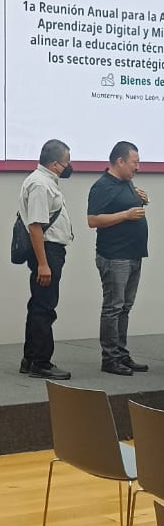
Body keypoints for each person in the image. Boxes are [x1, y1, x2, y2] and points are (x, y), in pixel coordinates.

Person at [87, 141, 149, 376]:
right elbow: (93, 220)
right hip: (114, 256)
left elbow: (128, 206)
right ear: (120, 161)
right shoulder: (102, 186)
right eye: (135, 162)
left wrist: (142, 200)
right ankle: (110, 358)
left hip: (133, 254)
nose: (138, 167)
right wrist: (126, 214)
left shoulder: (127, 183)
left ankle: (122, 354)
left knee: (125, 307)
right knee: (113, 308)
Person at [17, 139, 74, 380]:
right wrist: (43, 263)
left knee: (38, 304)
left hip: (48, 251)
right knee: (45, 307)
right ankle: (41, 362)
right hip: (47, 251)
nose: (69, 166)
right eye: (66, 161)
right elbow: (35, 226)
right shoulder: (40, 184)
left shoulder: (44, 181)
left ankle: (30, 359)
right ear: (55, 164)